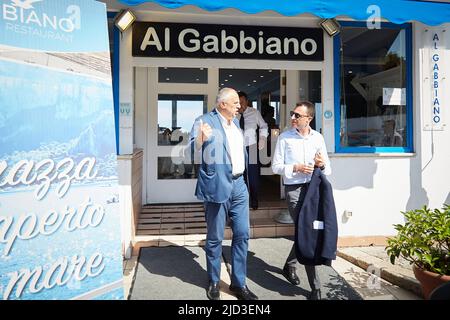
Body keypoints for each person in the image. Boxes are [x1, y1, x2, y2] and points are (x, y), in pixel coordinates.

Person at [188, 87, 258, 301]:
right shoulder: (204, 121)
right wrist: (199, 139)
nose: (240, 106)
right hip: (217, 186)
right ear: (223, 104)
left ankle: (239, 283)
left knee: (243, 234)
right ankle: (214, 280)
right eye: (236, 102)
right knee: (215, 238)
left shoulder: (235, 122)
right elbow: (190, 150)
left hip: (239, 186)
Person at [272, 101, 331, 300]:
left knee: (305, 232)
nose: (293, 118)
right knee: (307, 233)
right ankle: (316, 288)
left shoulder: (318, 138)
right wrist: (295, 168)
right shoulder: (284, 138)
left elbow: (327, 169)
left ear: (309, 118)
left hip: (313, 190)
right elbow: (276, 167)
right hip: (294, 190)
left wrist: (321, 165)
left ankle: (289, 266)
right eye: (292, 114)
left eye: (297, 115)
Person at [237, 91, 268, 210]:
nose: (240, 105)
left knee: (253, 176)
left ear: (247, 102)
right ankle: (242, 201)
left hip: (252, 147)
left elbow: (264, 126)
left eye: (242, 102)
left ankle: (254, 200)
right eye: (238, 103)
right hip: (237, 148)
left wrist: (263, 138)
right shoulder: (233, 115)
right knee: (240, 175)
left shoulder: (254, 112)